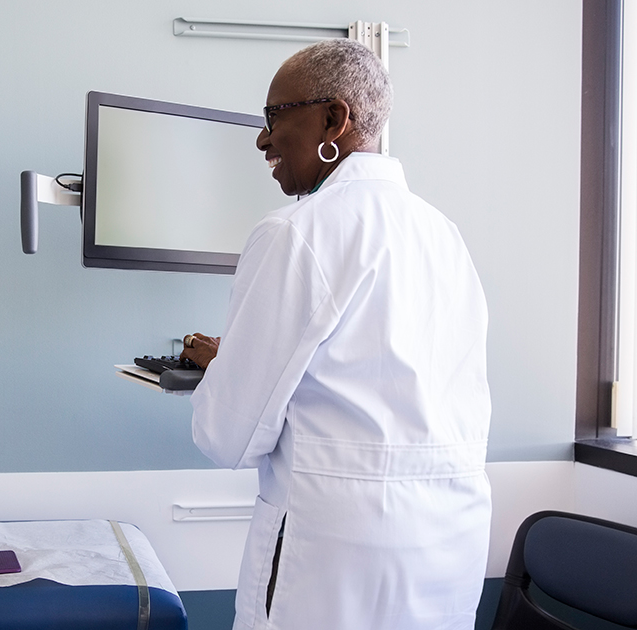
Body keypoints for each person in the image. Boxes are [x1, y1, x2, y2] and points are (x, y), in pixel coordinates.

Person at [182, 40, 492, 630]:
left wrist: (226, 370)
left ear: (333, 119)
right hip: (448, 545)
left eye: (274, 116)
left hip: (331, 552)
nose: (262, 139)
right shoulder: (444, 235)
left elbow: (227, 438)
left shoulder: (295, 232)